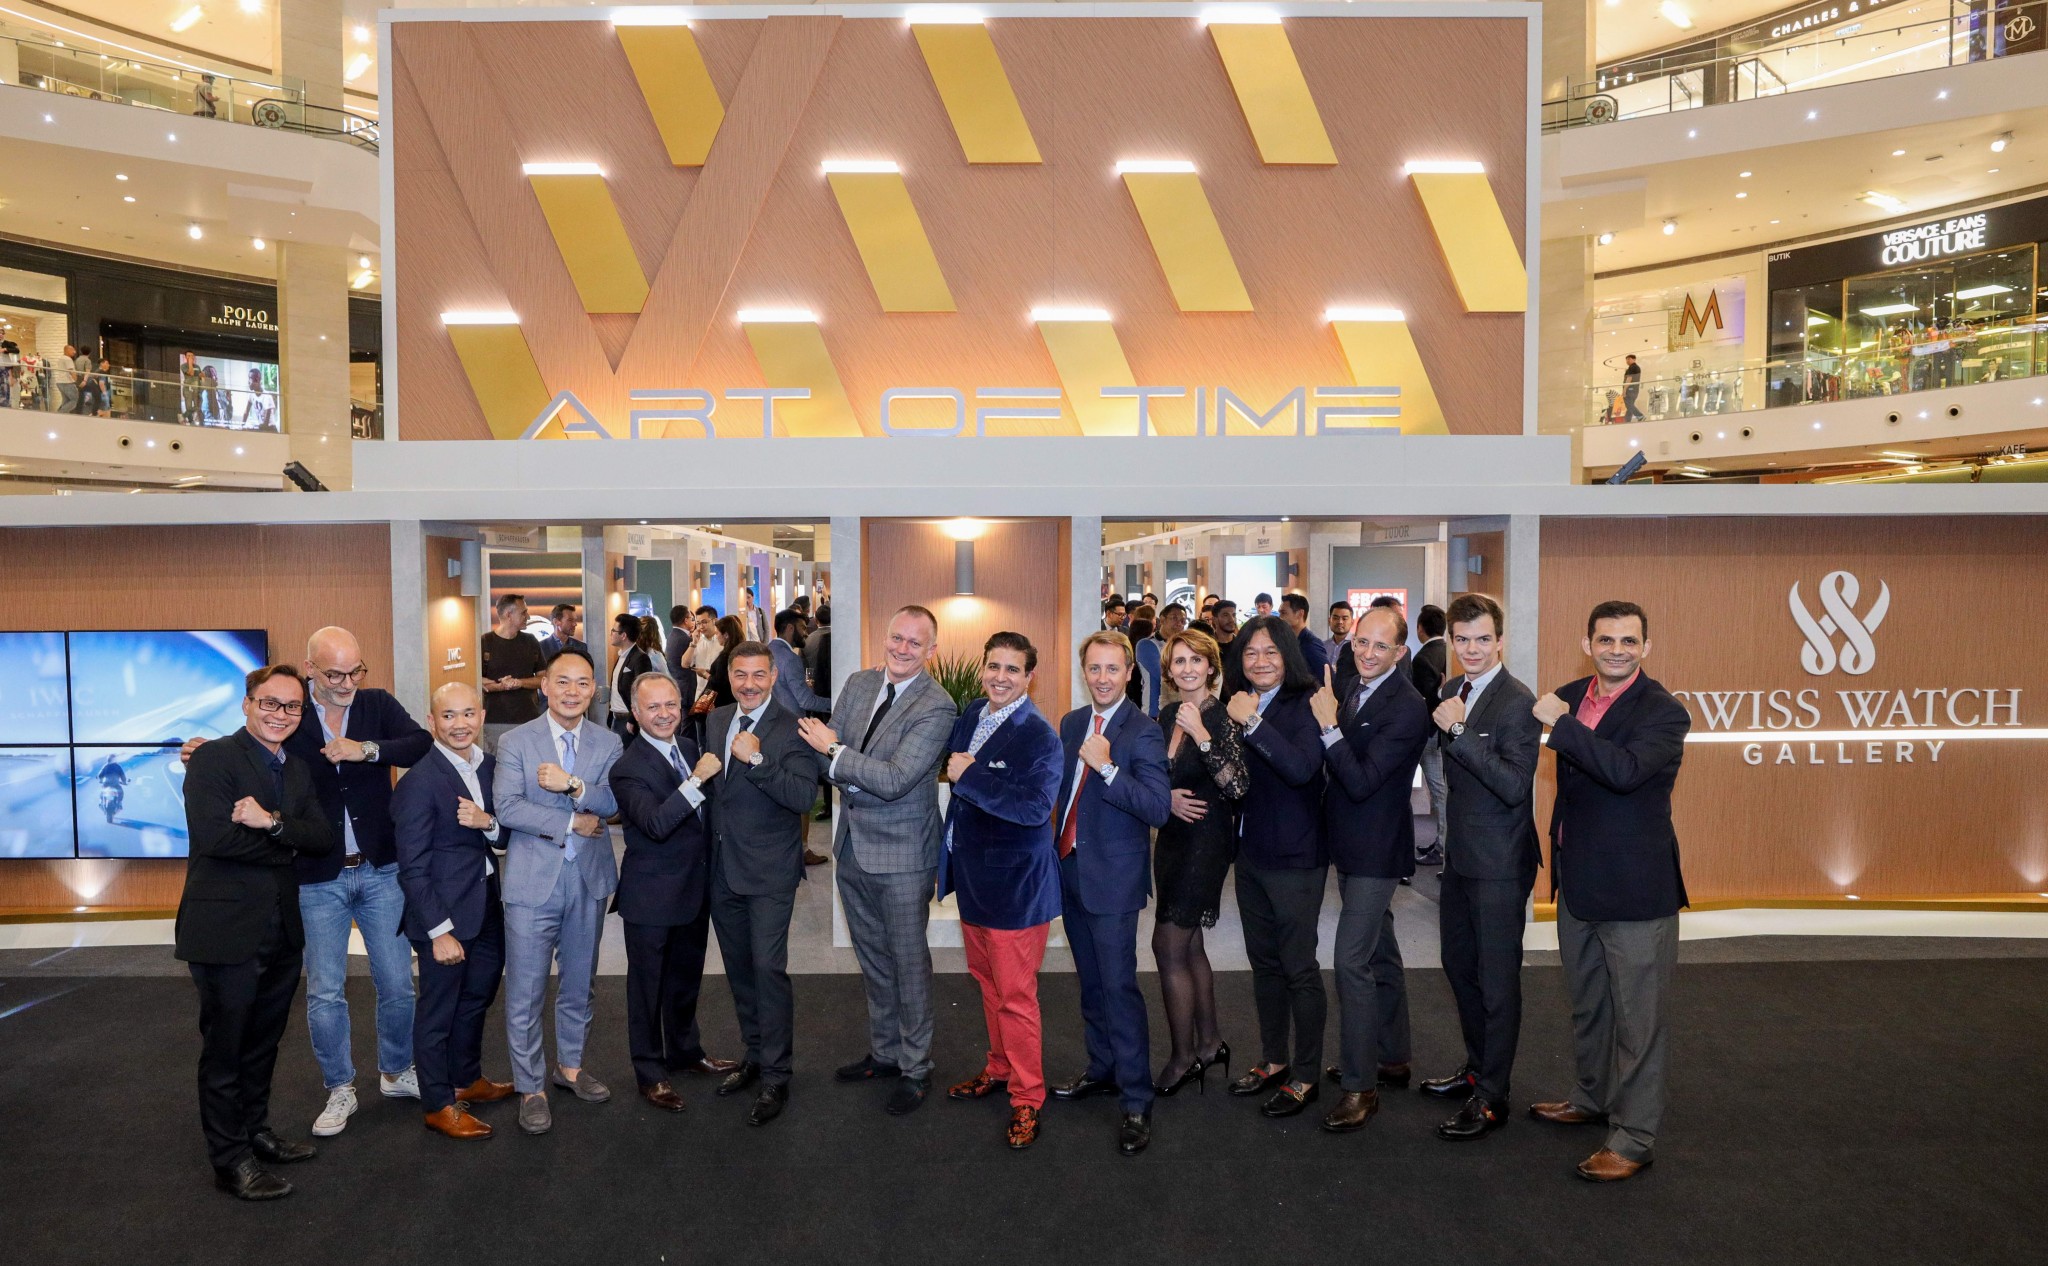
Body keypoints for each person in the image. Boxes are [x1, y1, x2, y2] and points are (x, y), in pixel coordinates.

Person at [1529, 601, 1690, 1183]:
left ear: (1646, 647)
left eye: (1628, 641)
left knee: (1639, 1022)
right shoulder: (1572, 695)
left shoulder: (1664, 712)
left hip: (1635, 891)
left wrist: (1563, 727)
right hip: (1577, 883)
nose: (1616, 650)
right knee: (1589, 1004)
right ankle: (1591, 1097)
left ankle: (1635, 1137)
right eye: (1606, 639)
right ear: (1588, 643)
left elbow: (1624, 772)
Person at [175, 664, 335, 1200]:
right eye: (270, 703)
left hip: (282, 928)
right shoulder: (213, 759)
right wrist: (288, 841)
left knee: (263, 1042)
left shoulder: (297, 769)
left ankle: (255, 1132)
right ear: (247, 704)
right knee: (226, 1049)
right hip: (224, 930)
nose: (280, 714)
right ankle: (230, 1161)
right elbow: (216, 840)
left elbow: (322, 838)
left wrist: (271, 823)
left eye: (292, 707)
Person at [799, 606, 956, 1113]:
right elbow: (823, 754)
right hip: (852, 847)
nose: (902, 649)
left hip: (904, 855)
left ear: (931, 650)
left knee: (907, 964)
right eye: (896, 637)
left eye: (915, 642)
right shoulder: (859, 683)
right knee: (873, 960)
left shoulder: (938, 705)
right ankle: (886, 1053)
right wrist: (839, 757)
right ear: (884, 637)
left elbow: (895, 779)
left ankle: (916, 1068)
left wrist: (838, 754)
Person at [285, 627, 433, 1135]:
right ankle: (340, 1088)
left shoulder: (376, 703)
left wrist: (365, 750)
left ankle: (395, 1071)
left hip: (381, 869)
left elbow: (419, 744)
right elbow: (252, 745)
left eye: (355, 671)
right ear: (310, 668)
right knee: (325, 991)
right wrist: (205, 751)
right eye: (335, 674)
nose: (348, 683)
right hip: (317, 876)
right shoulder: (292, 712)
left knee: (397, 983)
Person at [1422, 592, 1541, 1142]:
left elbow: (1514, 785)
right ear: (1451, 640)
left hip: (1500, 864)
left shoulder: (1517, 701)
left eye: (1482, 639)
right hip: (1460, 859)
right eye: (1462, 640)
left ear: (1501, 641)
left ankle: (1493, 1096)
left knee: (1496, 982)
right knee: (1459, 968)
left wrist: (1460, 732)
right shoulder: (1452, 690)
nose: (1472, 649)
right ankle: (1476, 1070)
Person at [939, 632, 1065, 1149]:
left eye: (1013, 669)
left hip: (1016, 889)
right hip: (973, 878)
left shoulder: (1041, 737)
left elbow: (1034, 809)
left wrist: (970, 776)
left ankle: (1028, 1096)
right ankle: (999, 1068)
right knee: (988, 985)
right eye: (994, 666)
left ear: (1030, 676)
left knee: (1015, 997)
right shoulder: (973, 712)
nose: (1000, 677)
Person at [1048, 631, 1171, 1157]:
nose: (1102, 678)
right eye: (1094, 668)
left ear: (1129, 673)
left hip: (1114, 881)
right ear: (1084, 672)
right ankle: (1102, 1069)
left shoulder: (1143, 730)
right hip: (1070, 869)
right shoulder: (1072, 722)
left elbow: (1158, 808)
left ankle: (1137, 1099)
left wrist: (1107, 766)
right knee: (1091, 983)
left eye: (1112, 669)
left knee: (1119, 988)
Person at [492, 648, 622, 1136]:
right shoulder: (516, 741)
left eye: (582, 683)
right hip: (532, 882)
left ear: (594, 690)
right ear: (544, 685)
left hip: (588, 879)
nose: (572, 691)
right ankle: (531, 1087)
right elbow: (508, 807)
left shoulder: (608, 742)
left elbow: (613, 802)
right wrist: (571, 821)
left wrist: (574, 786)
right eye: (562, 681)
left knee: (579, 983)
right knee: (525, 989)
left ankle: (570, 1066)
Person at [1310, 606, 1430, 1133]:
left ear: (1400, 653)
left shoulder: (1408, 707)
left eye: (1381, 646)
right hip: (1349, 843)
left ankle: (1361, 1087)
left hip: (1377, 849)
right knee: (1380, 950)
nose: (1367, 653)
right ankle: (1392, 1056)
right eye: (1362, 642)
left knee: (1350, 960)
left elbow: (1361, 780)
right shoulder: (1348, 684)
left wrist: (1327, 726)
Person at [609, 672, 740, 1113]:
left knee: (685, 979)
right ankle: (650, 1073)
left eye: (671, 705)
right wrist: (696, 780)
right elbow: (656, 824)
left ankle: (685, 1051)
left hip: (693, 889)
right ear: (635, 712)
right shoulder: (627, 768)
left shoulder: (687, 747)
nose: (665, 714)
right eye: (653, 707)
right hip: (650, 897)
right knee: (647, 990)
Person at [393, 682, 517, 1141]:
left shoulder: (490, 767)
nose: (459, 724)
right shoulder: (419, 782)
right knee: (438, 1013)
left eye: (467, 714)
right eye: (448, 716)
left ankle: (466, 1079)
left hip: (485, 907)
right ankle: (438, 1104)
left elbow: (506, 833)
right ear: (432, 722)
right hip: (443, 919)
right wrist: (438, 931)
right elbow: (412, 868)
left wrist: (488, 823)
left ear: (481, 717)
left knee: (477, 998)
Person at [705, 641, 822, 1126]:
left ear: (774, 677)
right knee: (739, 970)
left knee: (768, 970)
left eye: (758, 675)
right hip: (723, 870)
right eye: (740, 674)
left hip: (770, 872)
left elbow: (803, 797)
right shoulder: (717, 720)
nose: (748, 684)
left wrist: (757, 762)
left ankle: (776, 1074)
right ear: (729, 677)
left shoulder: (793, 727)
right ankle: (753, 1055)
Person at [1223, 615, 1328, 1119]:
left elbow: (1302, 768)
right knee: (1264, 963)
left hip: (1295, 856)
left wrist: (1253, 724)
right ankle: (1274, 1059)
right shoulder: (1240, 703)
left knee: (1298, 967)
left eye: (1270, 651)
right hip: (1250, 853)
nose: (1260, 661)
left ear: (1288, 654)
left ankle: (1306, 1074)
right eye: (1250, 652)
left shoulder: (1306, 702)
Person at [1150, 628, 1245, 1098]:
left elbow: (1237, 786)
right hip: (1171, 841)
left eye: (1195, 660)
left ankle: (1183, 1057)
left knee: (1166, 946)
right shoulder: (1167, 714)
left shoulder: (1222, 716)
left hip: (1206, 845)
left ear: (1211, 666)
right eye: (1179, 661)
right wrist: (1164, 797)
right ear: (1169, 670)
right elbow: (1157, 776)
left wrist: (1203, 736)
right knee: (1189, 948)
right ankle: (1210, 1044)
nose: (1187, 668)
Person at [480, 594, 545, 752]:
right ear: (509, 614)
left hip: (528, 720)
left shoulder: (531, 641)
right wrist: (501, 686)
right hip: (494, 722)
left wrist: (520, 683)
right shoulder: (485, 642)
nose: (528, 617)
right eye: (523, 612)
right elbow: (476, 680)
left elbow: (544, 679)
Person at [1413, 603, 1451, 865]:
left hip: (1430, 733)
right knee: (1440, 791)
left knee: (1439, 792)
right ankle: (1440, 841)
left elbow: (1425, 700)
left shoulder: (1423, 658)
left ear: (1420, 629)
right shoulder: (1449, 652)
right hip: (1445, 732)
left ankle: (1443, 846)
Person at [606, 613, 654, 743]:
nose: (611, 634)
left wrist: (633, 719)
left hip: (627, 720)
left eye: (613, 631)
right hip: (615, 717)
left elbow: (642, 691)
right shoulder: (621, 655)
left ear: (623, 635)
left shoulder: (640, 658)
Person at [1144, 603, 1187, 717]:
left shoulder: (1185, 647)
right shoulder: (1147, 644)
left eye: (1183, 621)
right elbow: (1161, 673)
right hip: (1152, 710)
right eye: (1174, 618)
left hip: (1178, 709)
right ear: (1162, 619)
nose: (1179, 623)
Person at [1280, 593, 1332, 677]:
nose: (1280, 618)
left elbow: (1327, 676)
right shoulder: (1289, 641)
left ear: (1300, 614)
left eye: (1283, 613)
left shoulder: (1311, 644)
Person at [704, 614, 745, 711]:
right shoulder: (742, 651)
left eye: (718, 633)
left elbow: (720, 682)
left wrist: (706, 675)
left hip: (723, 704)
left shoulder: (726, 656)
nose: (716, 636)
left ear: (726, 635)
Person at [54, 343, 80, 414]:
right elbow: (71, 371)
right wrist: (76, 381)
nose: (74, 352)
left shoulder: (61, 358)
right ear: (67, 350)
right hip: (67, 382)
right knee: (74, 400)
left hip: (60, 382)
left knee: (66, 401)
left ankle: (62, 415)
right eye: (72, 350)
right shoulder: (68, 359)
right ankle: (60, 413)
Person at [1621, 354, 1644, 422]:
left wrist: (1624, 390)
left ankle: (1640, 416)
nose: (1627, 361)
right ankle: (1627, 421)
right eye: (1626, 359)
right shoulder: (1635, 367)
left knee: (1629, 404)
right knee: (1630, 406)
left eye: (1629, 359)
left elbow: (1629, 378)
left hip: (1630, 389)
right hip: (1634, 390)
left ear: (1634, 359)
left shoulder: (1632, 367)